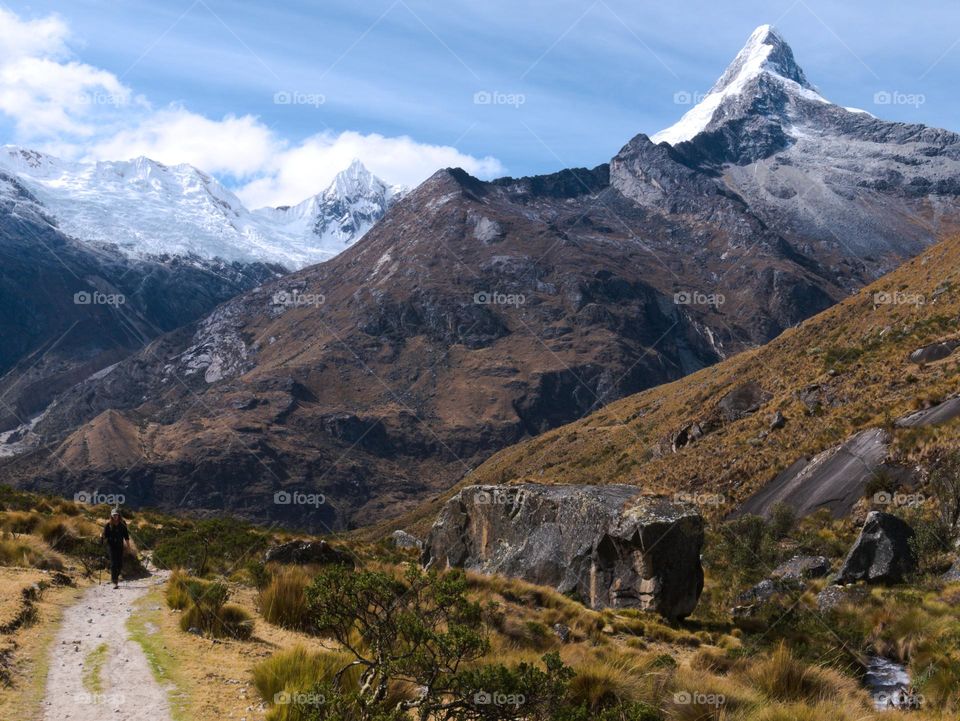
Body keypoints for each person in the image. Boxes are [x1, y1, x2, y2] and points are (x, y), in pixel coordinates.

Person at [101, 508, 130, 589]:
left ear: (119, 515)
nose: (115, 516)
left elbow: (126, 536)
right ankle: (114, 581)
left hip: (120, 546)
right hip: (111, 546)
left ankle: (115, 577)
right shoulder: (108, 525)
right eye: (114, 515)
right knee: (114, 564)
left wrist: (128, 546)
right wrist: (102, 536)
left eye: (116, 515)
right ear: (111, 515)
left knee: (120, 564)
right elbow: (105, 535)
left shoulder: (123, 524)